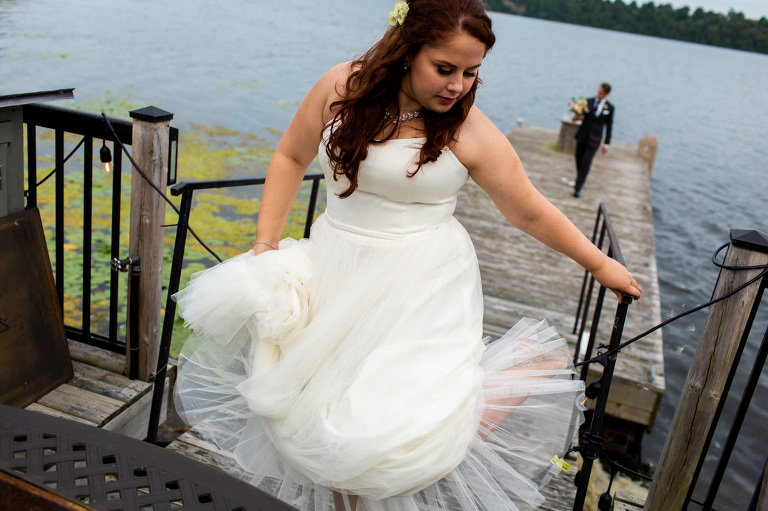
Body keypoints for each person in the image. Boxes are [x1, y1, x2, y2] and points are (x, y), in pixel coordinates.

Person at [173, 2, 641, 510]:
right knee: (319, 416)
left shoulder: (471, 132)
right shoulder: (341, 88)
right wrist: (265, 244)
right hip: (337, 268)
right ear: (406, 49)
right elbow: (290, 154)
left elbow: (528, 210)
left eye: (471, 72)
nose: (457, 85)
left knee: (381, 427)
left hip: (422, 284)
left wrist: (598, 263)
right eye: (444, 69)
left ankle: (473, 408)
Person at [573, 83, 614, 198]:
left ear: (606, 94)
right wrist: (577, 112)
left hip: (594, 139)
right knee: (578, 159)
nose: (599, 95)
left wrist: (606, 144)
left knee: (586, 162)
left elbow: (609, 126)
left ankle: (578, 187)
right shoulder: (588, 102)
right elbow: (578, 117)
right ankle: (580, 178)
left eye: (602, 93)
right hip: (582, 136)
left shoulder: (609, 108)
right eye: (599, 92)